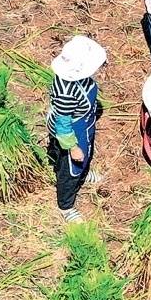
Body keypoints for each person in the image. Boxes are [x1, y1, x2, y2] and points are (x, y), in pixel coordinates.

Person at [47, 35, 107, 222]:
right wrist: (73, 148)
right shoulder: (65, 93)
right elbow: (63, 126)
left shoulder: (78, 77)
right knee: (69, 169)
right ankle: (65, 206)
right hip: (71, 132)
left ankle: (83, 173)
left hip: (84, 125)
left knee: (85, 155)